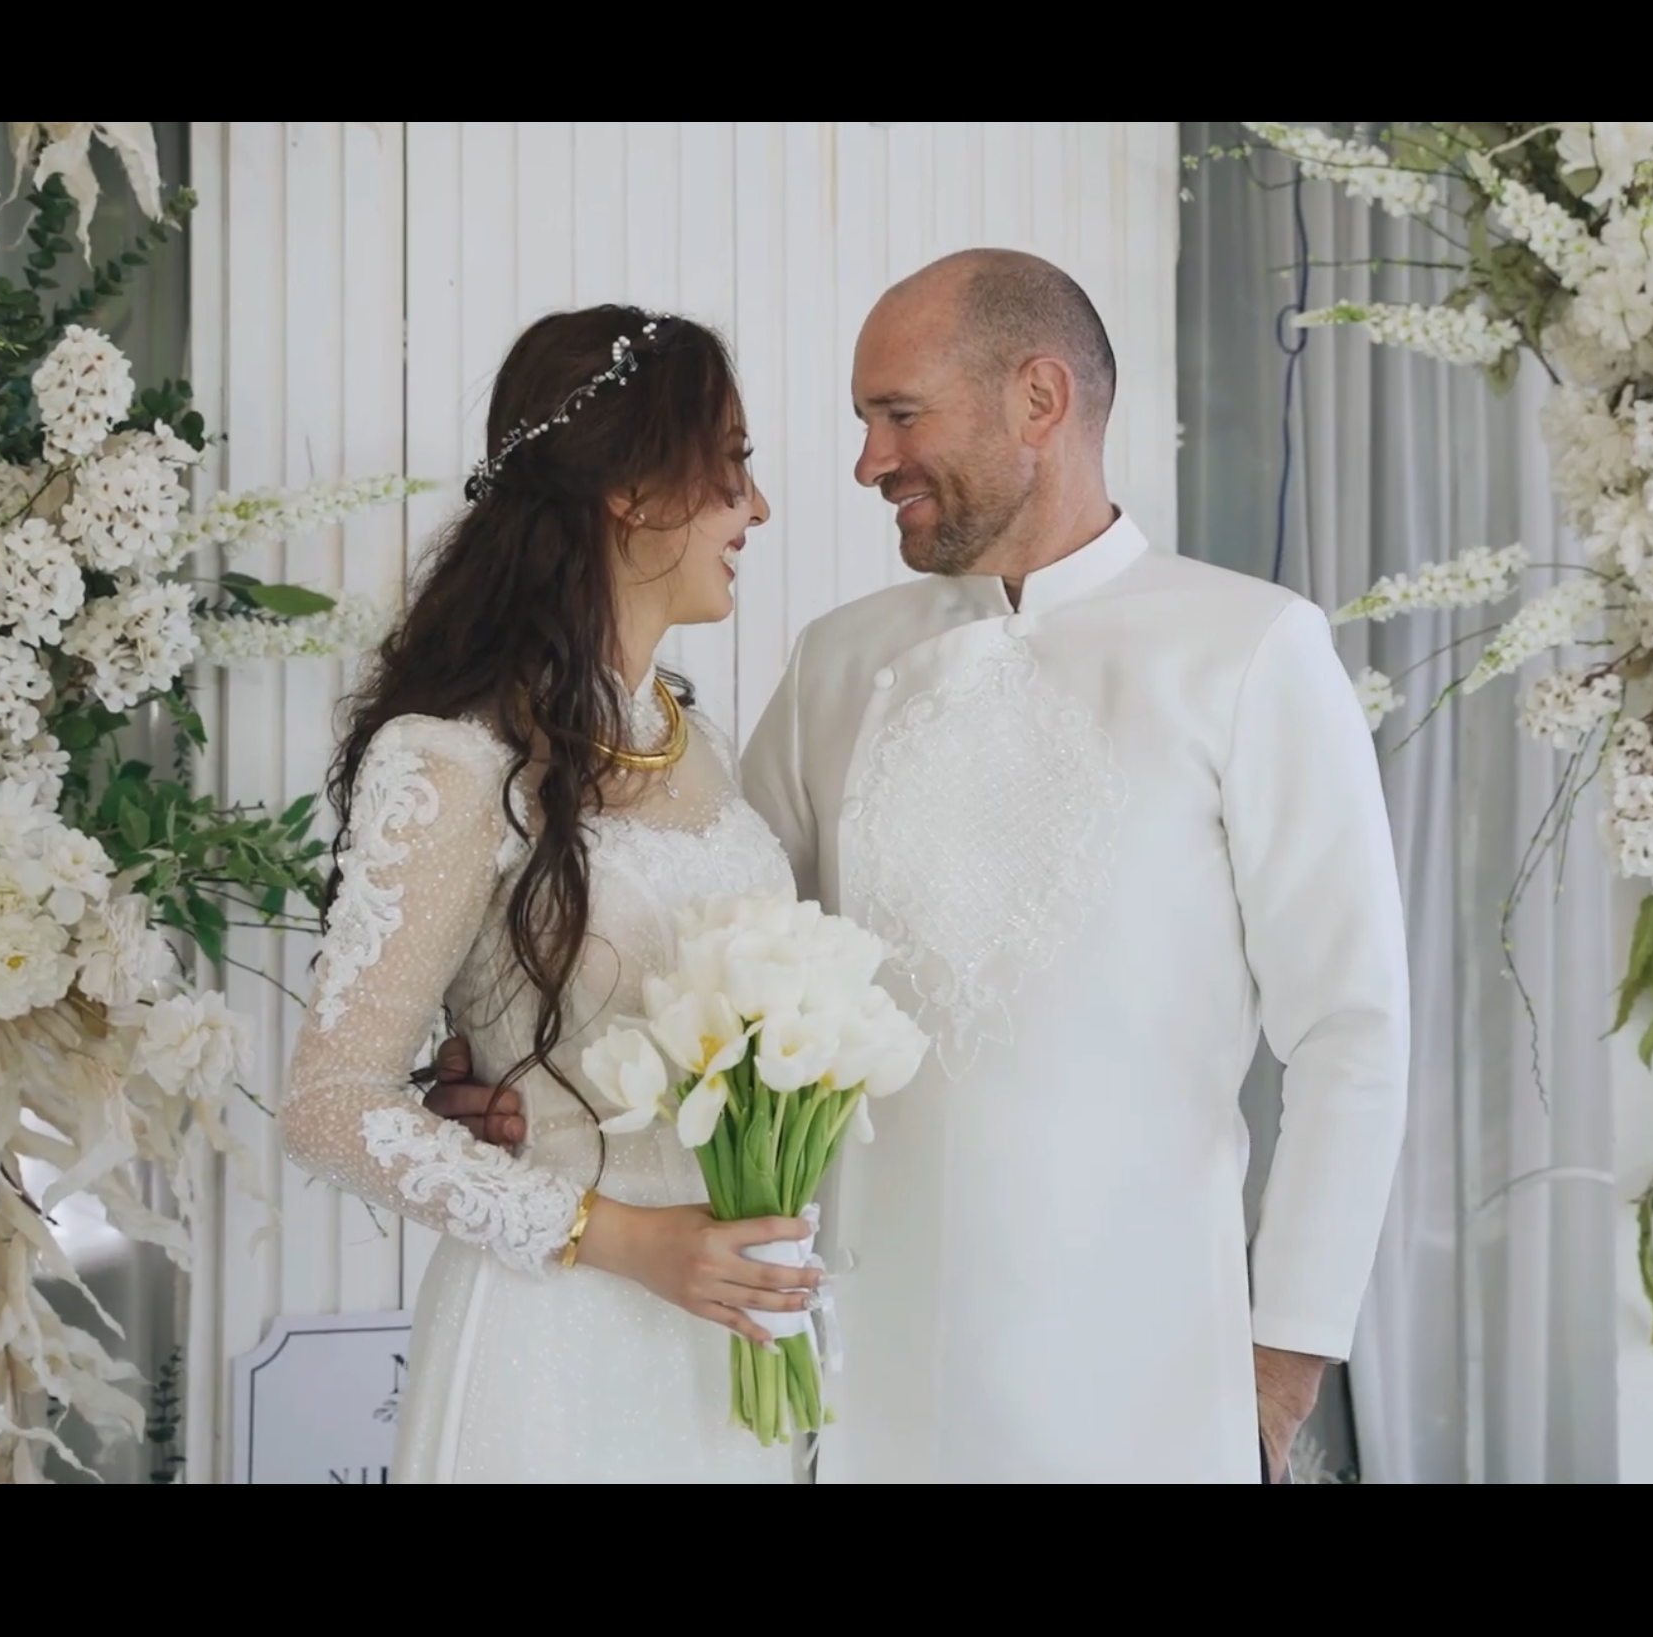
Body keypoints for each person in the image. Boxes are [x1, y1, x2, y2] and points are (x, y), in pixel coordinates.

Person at [426, 251, 1412, 1482]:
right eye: (863, 422)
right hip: (851, 1367)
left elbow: (1351, 1030)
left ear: (1038, 400)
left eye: (898, 415)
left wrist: (1283, 1362)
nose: (867, 463)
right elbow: (699, 943)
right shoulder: (838, 660)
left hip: (1140, 1367)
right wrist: (513, 1068)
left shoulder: (1250, 649)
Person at [280, 306, 817, 1483]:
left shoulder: (699, 744)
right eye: (731, 466)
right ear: (631, 490)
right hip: (557, 1342)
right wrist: (618, 1238)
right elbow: (327, 1105)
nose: (758, 509)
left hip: (725, 1346)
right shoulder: (450, 761)